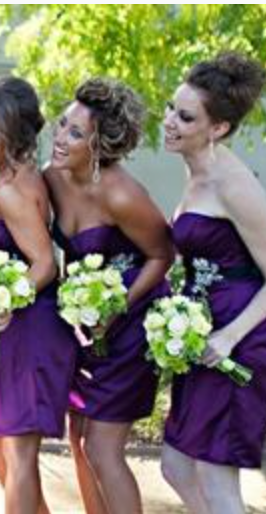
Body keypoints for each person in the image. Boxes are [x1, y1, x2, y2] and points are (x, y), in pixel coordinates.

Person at [44, 78, 174, 514]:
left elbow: (162, 254)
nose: (60, 138)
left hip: (132, 326)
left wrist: (116, 306)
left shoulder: (122, 194)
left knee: (102, 447)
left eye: (75, 133)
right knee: (77, 439)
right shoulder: (52, 177)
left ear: (100, 146)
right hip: (86, 327)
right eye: (62, 125)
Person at [160, 51, 266, 514]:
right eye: (170, 108)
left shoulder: (233, 183)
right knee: (175, 467)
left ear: (218, 128)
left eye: (185, 117)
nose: (169, 121)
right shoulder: (195, 174)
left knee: (215, 478)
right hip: (200, 337)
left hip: (236, 342)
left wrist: (228, 336)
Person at [0, 77, 77, 514]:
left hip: (29, 333)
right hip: (15, 333)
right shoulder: (11, 177)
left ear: (15, 138)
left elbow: (45, 264)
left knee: (17, 457)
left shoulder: (11, 189)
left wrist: (5, 303)